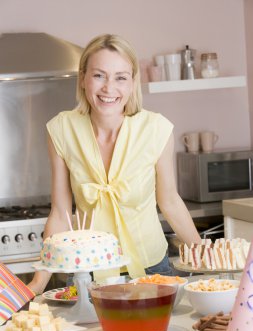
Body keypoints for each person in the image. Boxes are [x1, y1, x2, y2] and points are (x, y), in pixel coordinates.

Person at [28, 33, 201, 295]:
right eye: (99, 75)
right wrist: (38, 282)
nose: (109, 88)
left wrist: (205, 257)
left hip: (151, 269)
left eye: (121, 77)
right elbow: (60, 213)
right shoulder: (61, 130)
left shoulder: (156, 129)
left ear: (132, 83)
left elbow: (170, 202)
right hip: (88, 273)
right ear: (83, 78)